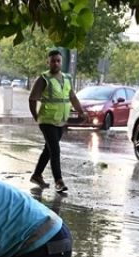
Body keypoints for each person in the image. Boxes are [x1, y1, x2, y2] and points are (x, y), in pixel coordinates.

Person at [27, 49, 85, 194]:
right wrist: (36, 116)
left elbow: (72, 98)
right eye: (53, 61)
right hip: (46, 120)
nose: (55, 63)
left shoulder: (67, 79)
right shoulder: (43, 79)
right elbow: (32, 99)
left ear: (61, 62)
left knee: (49, 149)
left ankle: (37, 175)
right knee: (55, 150)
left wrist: (81, 112)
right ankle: (58, 181)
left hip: (60, 121)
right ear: (48, 62)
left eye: (58, 61)